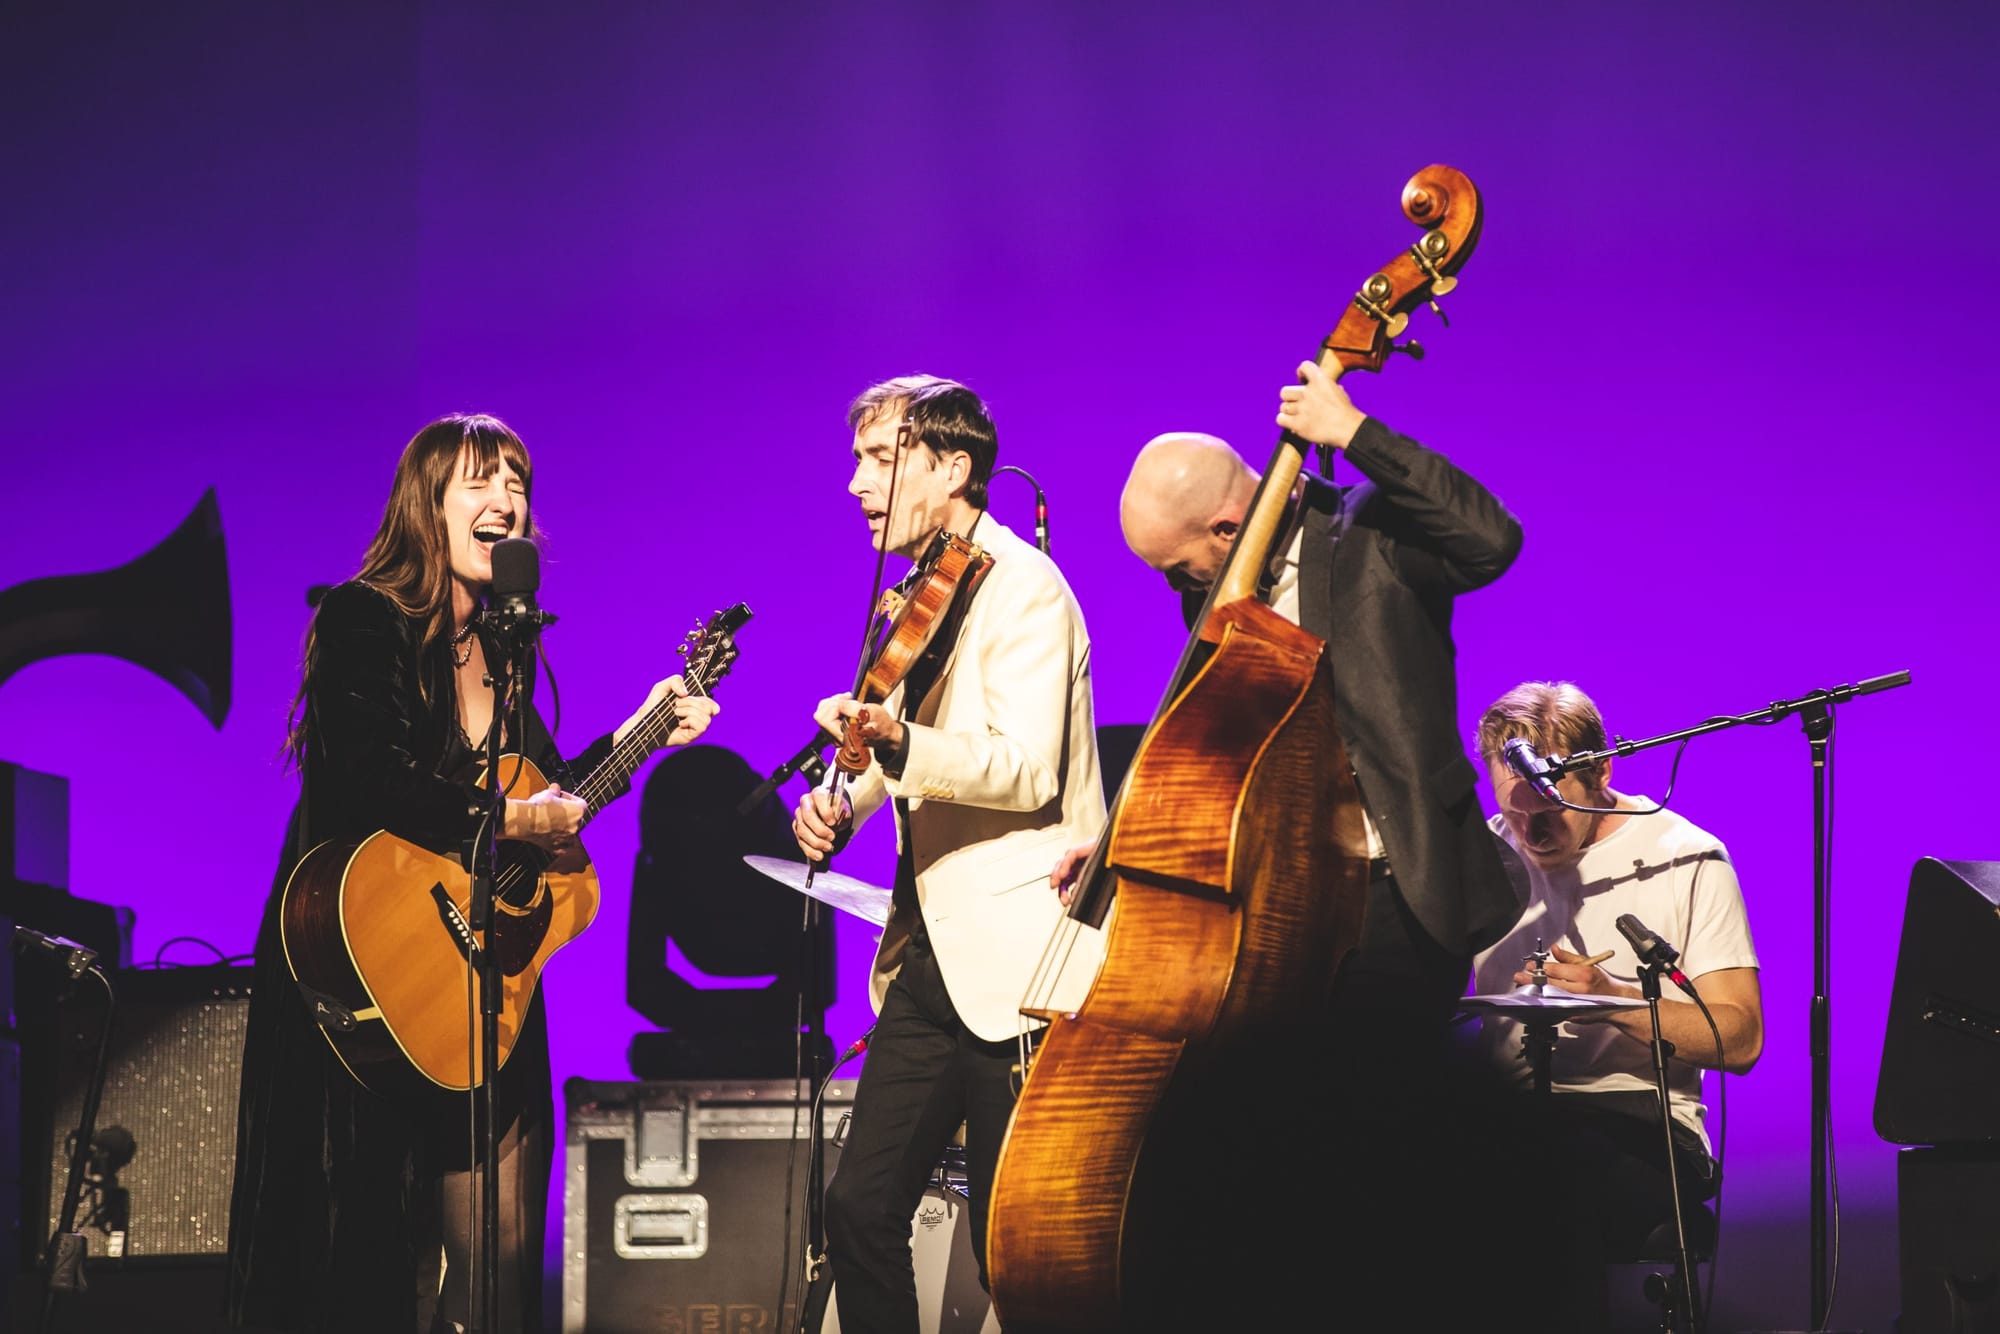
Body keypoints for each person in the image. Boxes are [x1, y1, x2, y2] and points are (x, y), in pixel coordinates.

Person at [226, 413, 717, 1333]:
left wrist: (642, 732)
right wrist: (512, 816)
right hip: (368, 971)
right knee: (356, 1250)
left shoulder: (505, 647)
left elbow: (542, 801)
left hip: (480, 979)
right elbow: (370, 778)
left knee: (495, 1258)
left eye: (519, 487)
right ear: (428, 506)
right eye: (480, 484)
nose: (507, 504)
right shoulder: (363, 617)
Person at [1061, 358, 1524, 1026]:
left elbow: (1494, 541)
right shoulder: (1214, 595)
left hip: (1402, 891)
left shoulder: (1372, 533)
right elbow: (1211, 745)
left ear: (1225, 527)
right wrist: (1121, 843)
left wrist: (1355, 431)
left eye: (1177, 569)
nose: (1179, 587)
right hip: (1284, 908)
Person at [791, 374, 1103, 1333]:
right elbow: (919, 750)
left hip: (1019, 961)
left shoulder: (1024, 588)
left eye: (881, 460)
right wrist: (845, 798)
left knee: (1006, 1247)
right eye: (858, 460)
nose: (856, 483)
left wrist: (893, 745)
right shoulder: (926, 589)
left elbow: (1020, 767)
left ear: (954, 466)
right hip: (930, 955)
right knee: (856, 1208)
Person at [1471, 680, 1761, 1265]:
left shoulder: (1687, 856)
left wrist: (1612, 998)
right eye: (1513, 812)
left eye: (1550, 811)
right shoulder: (1481, 855)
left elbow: (1741, 1039)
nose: (1532, 835)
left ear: (1601, 770)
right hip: (1504, 1117)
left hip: (1639, 1121)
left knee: (1540, 1187)